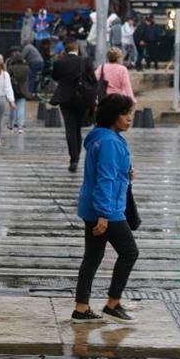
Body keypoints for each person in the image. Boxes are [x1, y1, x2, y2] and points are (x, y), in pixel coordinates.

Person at [71, 93, 139, 325]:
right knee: (130, 252)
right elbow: (105, 178)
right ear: (112, 116)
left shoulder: (101, 137)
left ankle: (81, 308)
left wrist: (125, 174)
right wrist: (104, 214)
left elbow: (109, 172)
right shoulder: (110, 141)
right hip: (106, 209)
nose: (129, 118)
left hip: (94, 206)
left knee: (92, 258)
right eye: (125, 114)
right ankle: (112, 303)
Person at [51, 39, 97, 172]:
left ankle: (74, 159)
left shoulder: (59, 62)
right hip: (82, 99)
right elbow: (93, 80)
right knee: (77, 128)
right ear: (77, 48)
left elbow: (55, 77)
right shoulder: (85, 61)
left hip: (65, 99)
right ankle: (77, 155)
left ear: (65, 49)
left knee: (70, 128)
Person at [7, 51, 31, 133]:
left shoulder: (11, 68)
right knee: (21, 108)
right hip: (23, 90)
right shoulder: (26, 68)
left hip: (13, 90)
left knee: (12, 108)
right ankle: (20, 126)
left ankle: (11, 125)